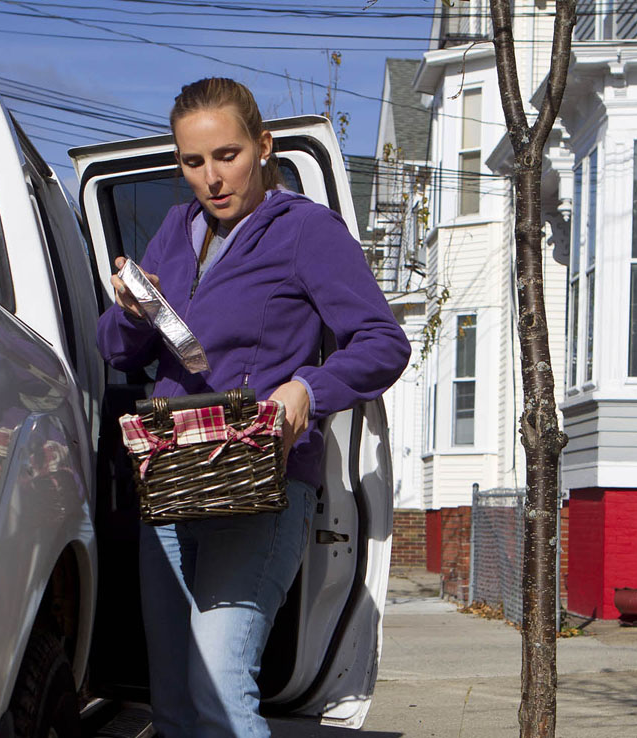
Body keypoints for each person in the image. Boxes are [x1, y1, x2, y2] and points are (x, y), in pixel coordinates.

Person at [96, 77, 411, 737]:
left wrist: (310, 388)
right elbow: (120, 353)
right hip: (173, 484)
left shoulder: (304, 231)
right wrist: (131, 312)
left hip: (259, 485)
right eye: (193, 162)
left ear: (264, 147)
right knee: (176, 704)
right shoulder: (175, 234)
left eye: (228, 155)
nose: (212, 177)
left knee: (218, 691)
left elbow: (383, 342)